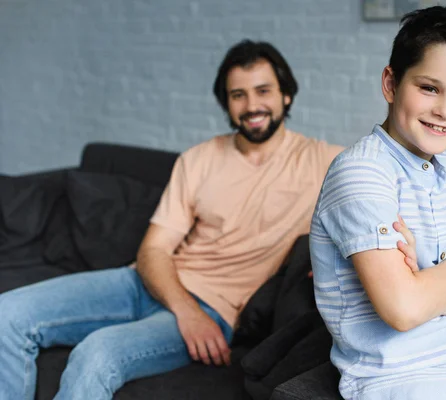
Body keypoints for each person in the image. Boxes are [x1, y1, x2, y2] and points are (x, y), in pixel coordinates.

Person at [0, 39, 343, 399]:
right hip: (144, 284)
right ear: (226, 103)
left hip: (215, 308)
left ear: (286, 95)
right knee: (7, 313)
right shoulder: (198, 159)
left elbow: (393, 187)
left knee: (96, 354)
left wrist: (338, 256)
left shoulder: (325, 162)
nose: (252, 105)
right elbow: (154, 250)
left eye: (263, 91)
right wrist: (186, 312)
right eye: (238, 95)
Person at [310, 6, 446, 400]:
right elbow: (402, 310)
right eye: (429, 87)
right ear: (391, 83)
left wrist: (423, 284)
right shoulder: (361, 172)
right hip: (415, 382)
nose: (445, 111)